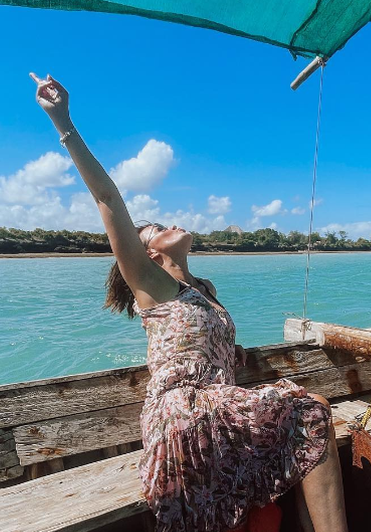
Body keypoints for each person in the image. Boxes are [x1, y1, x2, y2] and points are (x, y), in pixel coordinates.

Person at [30, 72, 349, 532]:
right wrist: (63, 120)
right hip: (183, 412)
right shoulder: (150, 287)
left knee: (305, 418)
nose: (168, 223)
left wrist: (230, 355)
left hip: (221, 405)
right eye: (155, 229)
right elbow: (107, 197)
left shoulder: (206, 291)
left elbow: (209, 345)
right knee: (311, 409)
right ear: (149, 256)